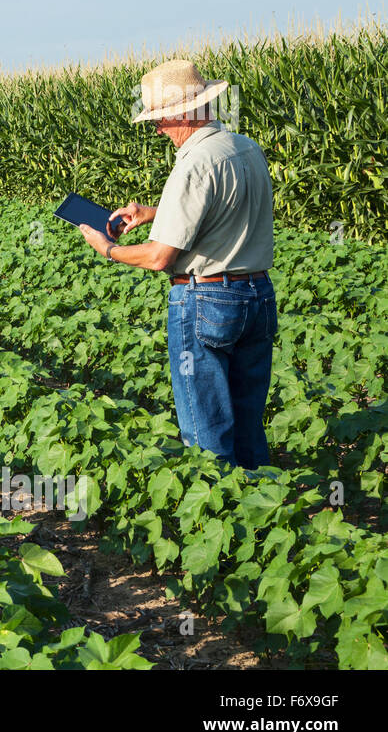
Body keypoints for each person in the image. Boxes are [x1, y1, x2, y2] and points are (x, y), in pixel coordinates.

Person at [76, 59, 277, 470]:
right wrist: (154, 212)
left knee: (206, 428)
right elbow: (226, 209)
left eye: (161, 121)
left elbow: (158, 257)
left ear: (184, 113)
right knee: (247, 423)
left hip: (208, 300)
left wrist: (108, 249)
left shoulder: (194, 162)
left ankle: (221, 513)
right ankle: (260, 498)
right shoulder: (245, 148)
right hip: (258, 297)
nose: (158, 130)